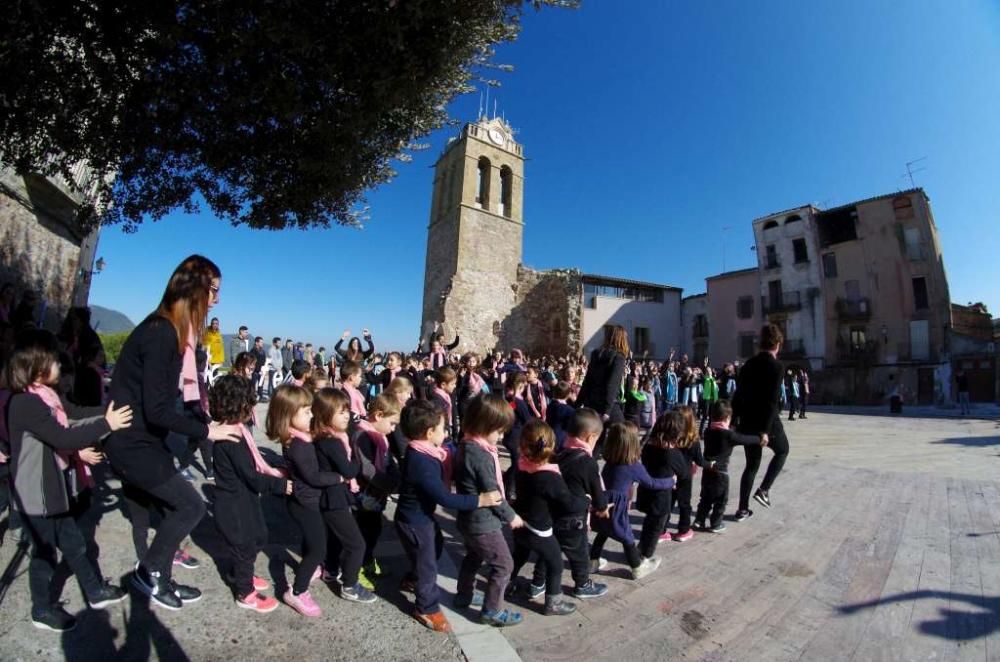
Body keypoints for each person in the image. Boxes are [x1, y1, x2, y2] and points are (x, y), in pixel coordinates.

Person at [104, 255, 241, 610]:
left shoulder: (171, 330)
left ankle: (159, 574)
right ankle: (150, 572)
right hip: (131, 444)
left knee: (175, 506)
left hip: (144, 441)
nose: (217, 298)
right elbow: (159, 409)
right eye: (213, 289)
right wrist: (207, 430)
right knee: (190, 505)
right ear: (194, 287)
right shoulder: (160, 332)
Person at [7, 332, 133, 631]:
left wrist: (108, 411)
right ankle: (41, 609)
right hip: (35, 494)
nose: (59, 366)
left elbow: (74, 415)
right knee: (45, 554)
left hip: (52, 488)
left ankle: (94, 591)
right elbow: (63, 435)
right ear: (37, 367)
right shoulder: (26, 403)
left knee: (74, 544)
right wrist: (107, 424)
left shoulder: (48, 397)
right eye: (53, 361)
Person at [394, 399, 500, 633]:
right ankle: (426, 607)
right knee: (428, 565)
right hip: (414, 521)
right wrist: (480, 500)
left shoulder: (426, 450)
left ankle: (413, 579)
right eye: (443, 429)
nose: (446, 433)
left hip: (420, 517)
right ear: (430, 432)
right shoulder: (421, 462)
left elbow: (448, 450)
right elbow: (445, 499)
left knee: (434, 547)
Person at [209, 375, 291, 613]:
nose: (253, 407)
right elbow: (252, 477)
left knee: (258, 536)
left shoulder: (236, 430)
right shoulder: (230, 438)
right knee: (244, 546)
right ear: (239, 405)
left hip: (243, 499)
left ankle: (239, 572)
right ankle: (245, 593)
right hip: (233, 504)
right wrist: (280, 485)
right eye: (250, 402)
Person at [454, 394, 524, 627]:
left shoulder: (466, 444)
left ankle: (464, 594)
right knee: (504, 565)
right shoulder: (480, 455)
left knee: (473, 556)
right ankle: (491, 611)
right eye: (499, 431)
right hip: (483, 522)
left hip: (468, 520)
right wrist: (511, 515)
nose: (502, 437)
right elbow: (493, 494)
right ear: (485, 426)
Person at [269, 384, 338, 618]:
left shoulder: (296, 437)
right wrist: (339, 477)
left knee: (313, 540)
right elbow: (314, 477)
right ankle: (297, 591)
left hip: (304, 500)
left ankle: (311, 568)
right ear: (289, 415)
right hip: (305, 502)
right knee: (319, 548)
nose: (312, 415)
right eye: (306, 411)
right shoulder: (299, 445)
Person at [528, 408, 609, 600]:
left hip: (552, 514)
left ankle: (537, 583)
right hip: (574, 519)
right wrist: (602, 508)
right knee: (580, 554)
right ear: (590, 438)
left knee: (548, 552)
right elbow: (597, 492)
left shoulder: (558, 454)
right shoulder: (588, 463)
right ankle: (582, 584)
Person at [508, 420, 585, 616]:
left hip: (520, 524)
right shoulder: (550, 478)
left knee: (518, 556)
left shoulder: (520, 466)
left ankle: (504, 582)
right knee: (555, 564)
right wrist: (586, 500)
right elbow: (568, 504)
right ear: (551, 446)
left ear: (523, 446)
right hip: (539, 529)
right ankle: (553, 602)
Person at [311, 388, 376, 602]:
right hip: (334, 498)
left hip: (333, 496)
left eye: (347, 410)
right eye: (341, 412)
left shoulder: (327, 438)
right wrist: (358, 458)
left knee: (336, 539)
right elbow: (349, 471)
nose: (347, 415)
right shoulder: (331, 441)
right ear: (325, 415)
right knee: (356, 544)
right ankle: (350, 585)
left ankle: (330, 569)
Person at [589, 421, 674, 579]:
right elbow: (651, 483)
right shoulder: (633, 465)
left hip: (604, 501)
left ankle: (593, 561)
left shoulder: (610, 462)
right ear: (633, 443)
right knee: (627, 536)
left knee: (603, 532)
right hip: (618, 506)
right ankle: (637, 567)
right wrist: (670, 481)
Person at [732, 324, 789, 520]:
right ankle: (764, 489)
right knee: (782, 450)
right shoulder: (777, 367)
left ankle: (742, 509)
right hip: (767, 422)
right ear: (778, 344)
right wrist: (765, 430)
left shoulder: (748, 364)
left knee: (751, 466)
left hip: (747, 421)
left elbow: (738, 395)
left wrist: (732, 420)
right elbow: (772, 400)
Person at [352, 394, 402, 589]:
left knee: (374, 530)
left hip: (376, 494)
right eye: (392, 423)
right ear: (379, 415)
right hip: (364, 494)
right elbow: (367, 469)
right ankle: (356, 570)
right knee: (362, 534)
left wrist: (395, 474)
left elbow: (388, 459)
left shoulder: (379, 436)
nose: (394, 429)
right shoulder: (362, 435)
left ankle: (367, 561)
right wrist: (389, 484)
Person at [695, 400, 766, 533]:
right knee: (721, 500)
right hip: (721, 473)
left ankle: (699, 520)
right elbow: (744, 439)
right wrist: (759, 438)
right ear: (728, 418)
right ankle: (715, 523)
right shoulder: (729, 435)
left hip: (708, 470)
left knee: (705, 497)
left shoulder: (708, 431)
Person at [636, 411, 686, 558]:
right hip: (661, 496)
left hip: (646, 490)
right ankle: (645, 557)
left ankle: (640, 549)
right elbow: (683, 472)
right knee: (655, 528)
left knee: (648, 523)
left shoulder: (648, 446)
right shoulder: (671, 453)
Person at [577, 325, 629, 434]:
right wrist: (607, 411)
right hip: (608, 405)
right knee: (625, 435)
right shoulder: (619, 357)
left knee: (595, 440)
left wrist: (577, 404)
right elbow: (612, 384)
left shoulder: (596, 353)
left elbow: (588, 381)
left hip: (591, 403)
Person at [544, 381, 576, 449]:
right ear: (568, 395)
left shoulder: (551, 405)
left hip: (548, 436)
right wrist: (574, 402)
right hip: (561, 440)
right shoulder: (569, 410)